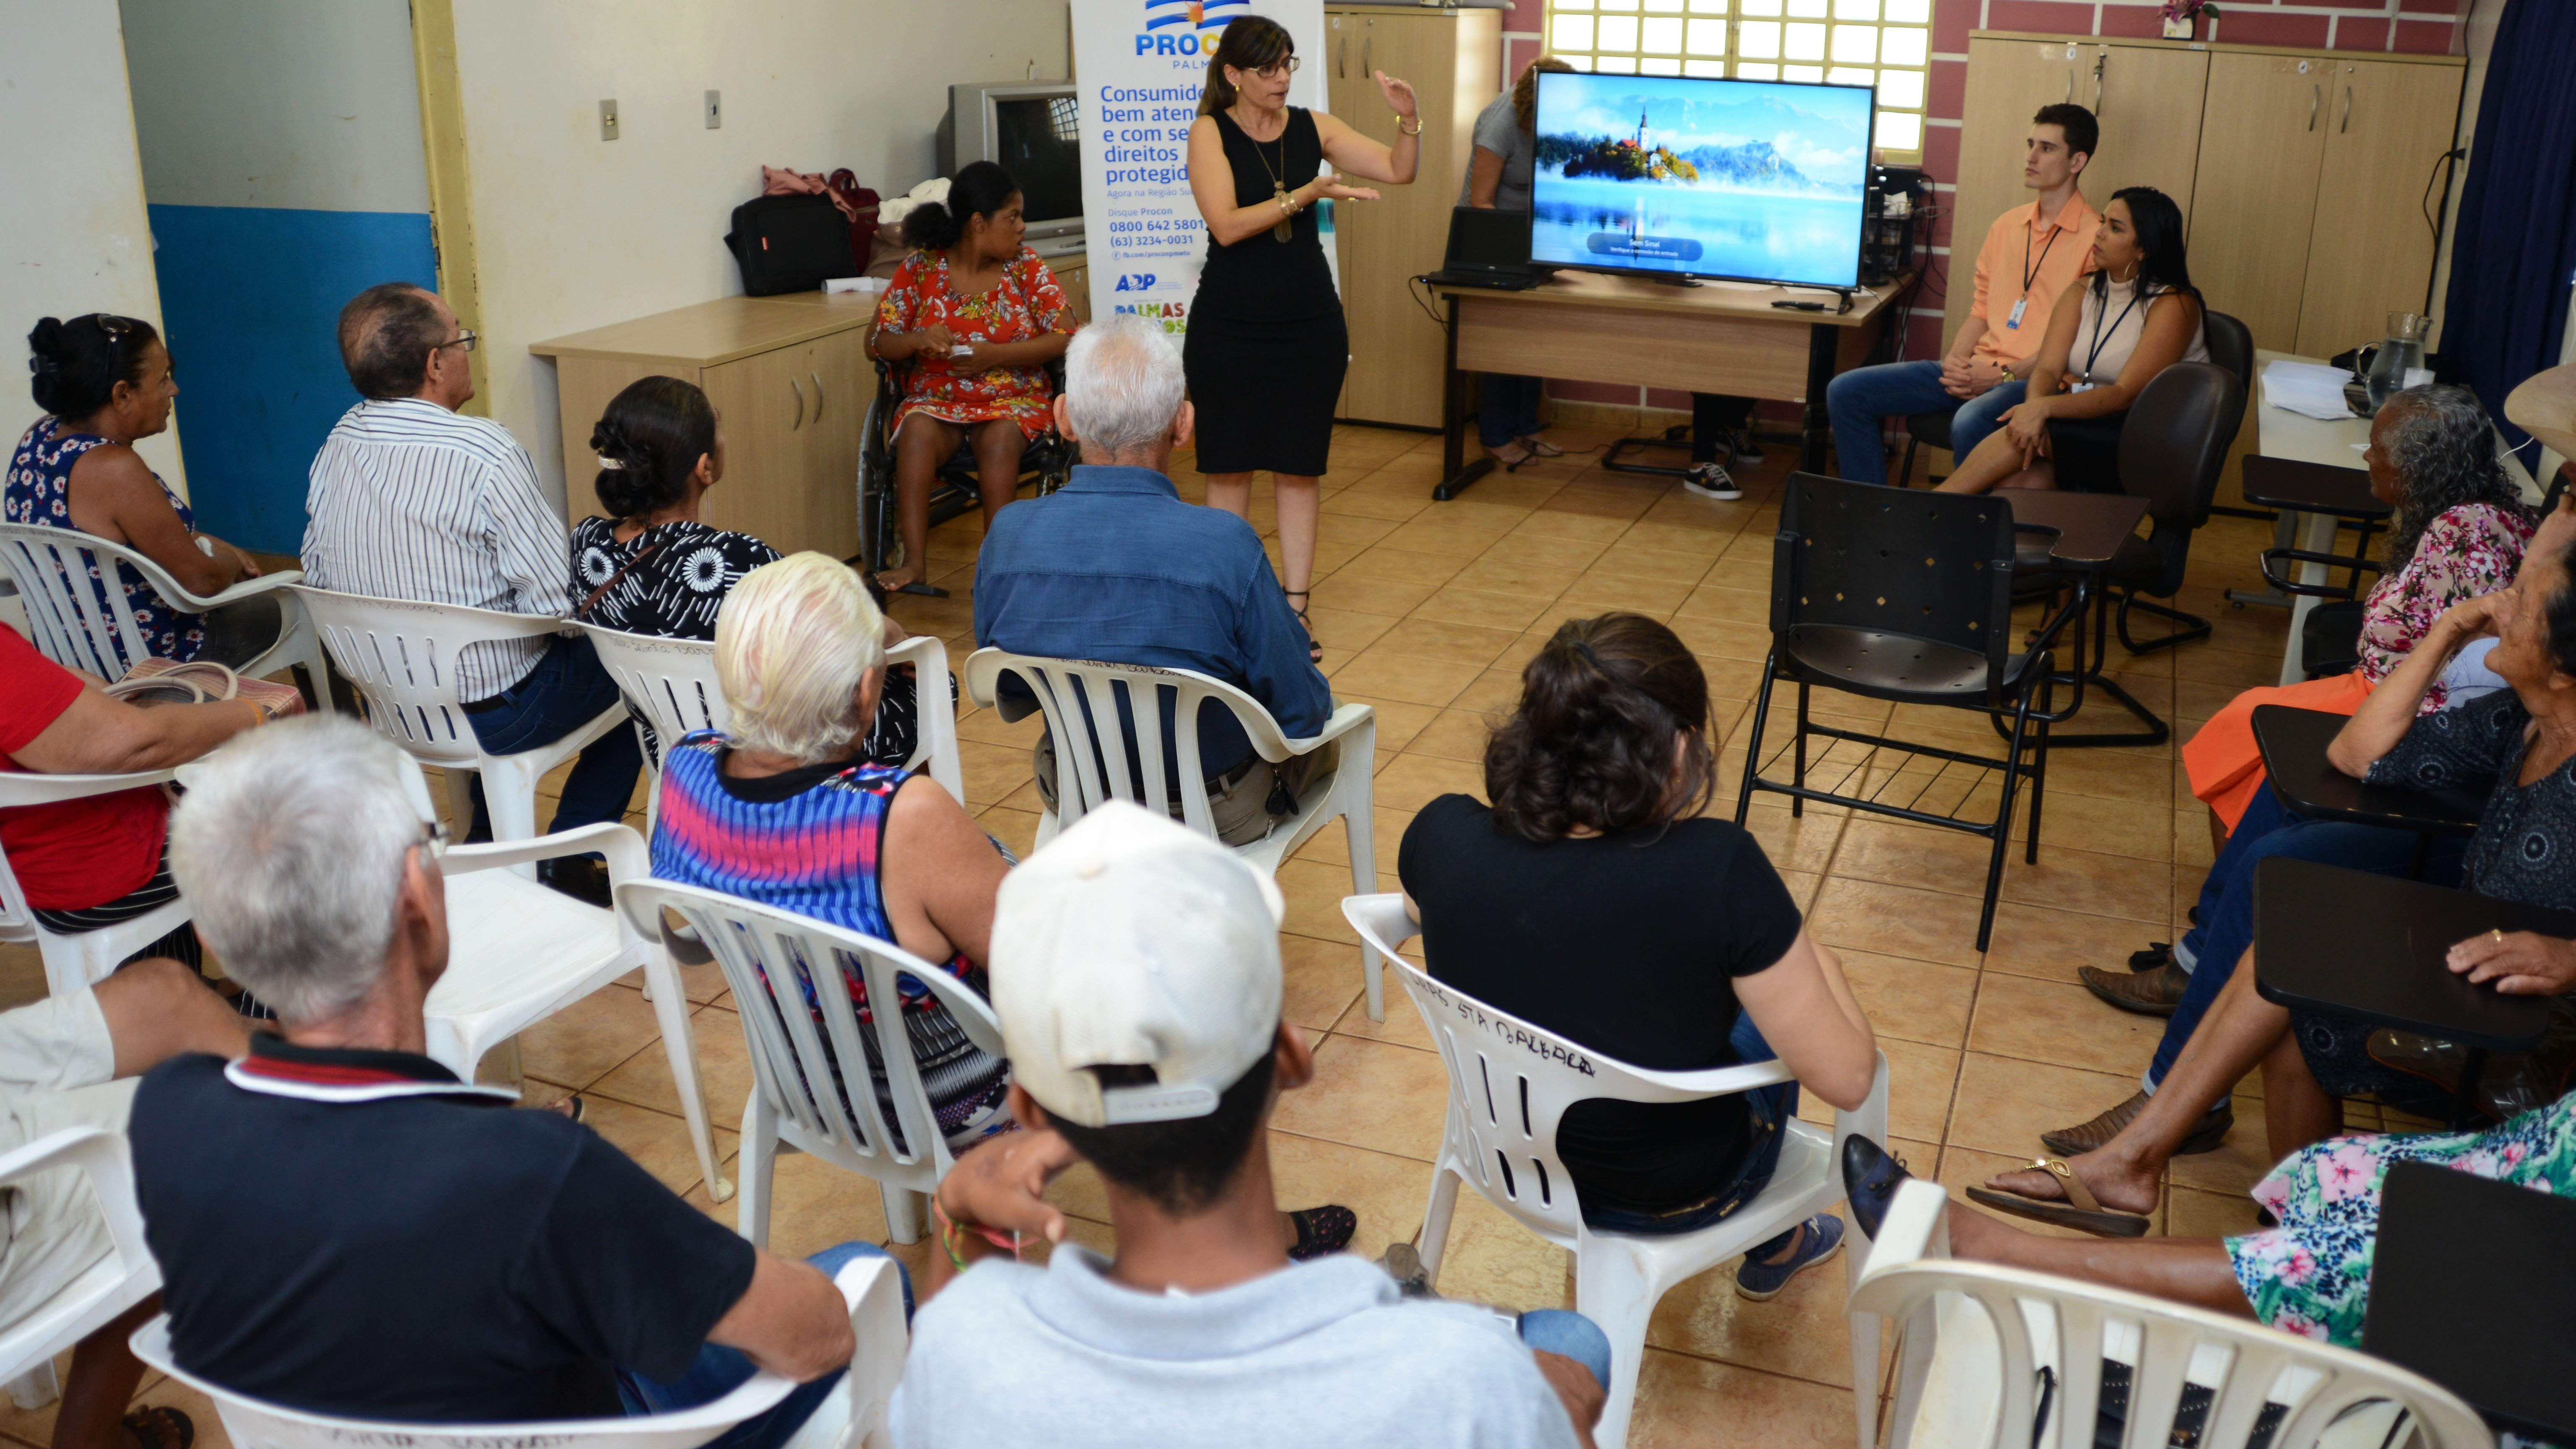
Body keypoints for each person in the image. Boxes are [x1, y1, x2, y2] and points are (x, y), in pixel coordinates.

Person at [129, 714, 890, 1441]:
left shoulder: (165, 1118)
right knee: (867, 1273)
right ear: (418, 896)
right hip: (604, 1426)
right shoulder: (530, 1171)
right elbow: (816, 1336)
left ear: (214, 935)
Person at [888, 802, 1613, 1449]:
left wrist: (958, 1213)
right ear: (1291, 1060)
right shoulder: (1468, 1384)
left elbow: (942, 1360)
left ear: (1028, 1112)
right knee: (1570, 1342)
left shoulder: (959, 1351)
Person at [1970, 539, 2576, 1239]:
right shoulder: (2520, 719)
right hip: (2469, 973)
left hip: (2534, 1036)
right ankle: (2258, 1221)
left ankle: (2239, 1215)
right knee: (2288, 964)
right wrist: (2445, 632)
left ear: (2561, 662)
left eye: (2522, 602)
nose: (2500, 603)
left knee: (2290, 962)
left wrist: (2566, 956)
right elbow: (2354, 753)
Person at [1398, 613, 1876, 1296]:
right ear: (1676, 750)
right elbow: (1848, 1078)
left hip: (1506, 1152)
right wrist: (1813, 958)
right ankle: (1781, 1242)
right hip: (1670, 1187)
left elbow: (1423, 912)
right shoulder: (1716, 870)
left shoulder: (1440, 833)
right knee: (1770, 1011)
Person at [2077, 386, 2538, 1030]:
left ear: (2415, 465)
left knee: (2248, 743)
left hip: (2403, 711)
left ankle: (2213, 953)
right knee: (2239, 732)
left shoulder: (2468, 535)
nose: (2368, 460)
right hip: (2382, 689)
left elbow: (2483, 671)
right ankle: (2217, 942)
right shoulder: (2465, 515)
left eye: (2376, 450)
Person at [650, 551, 1018, 1154]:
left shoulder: (685, 768)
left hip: (804, 1085)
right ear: (869, 687)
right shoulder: (902, 815)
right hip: (952, 1101)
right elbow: (1033, 971)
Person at [301, 281, 640, 904]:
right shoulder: (484, 449)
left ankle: (490, 839)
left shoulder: (336, 443)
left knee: (492, 653)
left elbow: (316, 570)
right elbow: (552, 603)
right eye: (461, 340)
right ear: (435, 364)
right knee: (629, 668)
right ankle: (573, 851)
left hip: (391, 704)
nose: (467, 351)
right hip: (495, 715)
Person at [975, 314, 1336, 850]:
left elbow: (1009, 689)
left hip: (1078, 793)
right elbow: (1303, 714)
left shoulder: (1008, 536)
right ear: (1184, 424)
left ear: (1064, 419)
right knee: (1329, 744)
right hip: (1215, 811)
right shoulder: (1226, 546)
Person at [1184, 16, 1421, 661]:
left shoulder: (1315, 127)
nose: (1284, 77)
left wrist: (1409, 120)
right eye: (1269, 68)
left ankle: (1294, 615)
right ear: (1234, 75)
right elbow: (1228, 227)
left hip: (1309, 327)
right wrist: (1306, 195)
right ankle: (1227, 613)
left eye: (1288, 64)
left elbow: (1400, 172)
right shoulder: (1209, 131)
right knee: (1227, 470)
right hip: (1229, 328)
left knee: (1299, 469)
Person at [1827, 104, 2101, 488]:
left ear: (2077, 161)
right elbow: (1981, 311)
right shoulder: (2007, 225)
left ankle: (1968, 537)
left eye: (2047, 148)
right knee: (1847, 391)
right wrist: (1957, 362)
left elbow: (2076, 346)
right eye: (2030, 144)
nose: (2031, 157)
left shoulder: (2096, 239)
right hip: (1980, 369)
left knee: (1970, 419)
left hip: (2038, 382)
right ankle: (1876, 516)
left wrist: (1999, 376)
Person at [4, 619, 280, 974]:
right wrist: (256, 713)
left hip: (14, 869)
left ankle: (180, 1002)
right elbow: (134, 744)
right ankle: (286, 1017)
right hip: (79, 873)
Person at [8, 314, 277, 672]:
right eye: (163, 378)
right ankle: (341, 723)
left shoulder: (37, 438)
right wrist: (227, 560)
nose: (174, 390)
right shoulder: (113, 467)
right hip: (146, 661)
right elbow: (202, 581)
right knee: (288, 604)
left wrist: (201, 541)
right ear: (123, 395)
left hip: (70, 661)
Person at [868, 161, 1078, 597]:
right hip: (938, 401)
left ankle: (996, 566)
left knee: (999, 438)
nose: (1023, 227)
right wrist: (917, 339)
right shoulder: (921, 269)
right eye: (1013, 216)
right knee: (916, 431)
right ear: (979, 224)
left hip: (1012, 400)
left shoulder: (1025, 268)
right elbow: (877, 341)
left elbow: (1065, 334)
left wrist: (994, 357)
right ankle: (915, 563)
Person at [1933, 185, 2207, 496]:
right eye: (2103, 221)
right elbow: (2048, 371)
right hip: (2088, 422)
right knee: (2019, 483)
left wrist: (2043, 412)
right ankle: (1964, 531)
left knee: (2013, 438)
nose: (2099, 233)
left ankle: (1935, 509)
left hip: (2144, 437)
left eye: (2115, 228)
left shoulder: (2175, 304)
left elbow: (2124, 394)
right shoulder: (2082, 291)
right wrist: (2034, 410)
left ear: (2144, 249)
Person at [1463, 55, 1572, 471]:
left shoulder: (1554, 116)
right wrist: (1505, 260)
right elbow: (1481, 202)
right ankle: (1495, 435)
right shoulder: (1504, 123)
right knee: (1505, 345)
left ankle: (1527, 426)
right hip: (1491, 244)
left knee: (1534, 341)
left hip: (1531, 244)